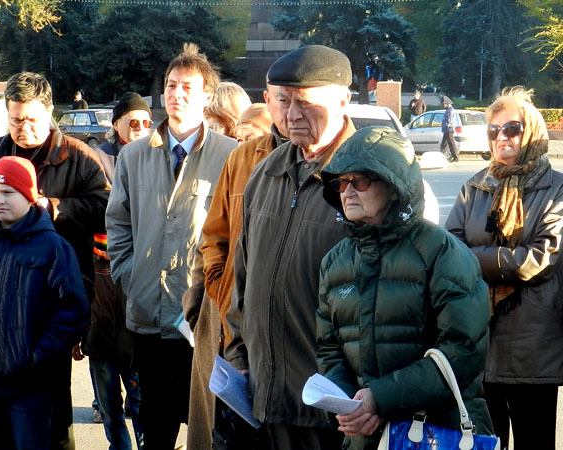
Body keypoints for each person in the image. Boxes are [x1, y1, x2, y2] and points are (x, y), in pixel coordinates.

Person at [316, 126, 494, 449]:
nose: (348, 191)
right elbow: (329, 348)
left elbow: (463, 351)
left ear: (394, 186)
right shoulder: (334, 262)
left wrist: (380, 398)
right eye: (341, 182)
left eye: (361, 181)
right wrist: (350, 406)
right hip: (365, 435)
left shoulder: (442, 253)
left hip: (438, 434)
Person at [0, 71, 110, 450]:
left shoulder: (79, 156)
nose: (22, 128)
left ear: (49, 112)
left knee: (48, 424)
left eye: (31, 119)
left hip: (49, 297)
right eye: (15, 120)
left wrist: (54, 208)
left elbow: (107, 209)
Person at [224, 44, 356, 449]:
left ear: (343, 101)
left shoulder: (366, 177)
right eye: (283, 101)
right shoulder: (267, 171)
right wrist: (238, 357)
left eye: (307, 103)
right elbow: (243, 277)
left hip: (335, 407)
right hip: (264, 396)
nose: (293, 115)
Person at [106, 43, 237, 449]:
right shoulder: (133, 156)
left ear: (207, 96)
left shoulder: (230, 156)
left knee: (207, 429)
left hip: (205, 319)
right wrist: (131, 275)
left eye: (187, 87)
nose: (176, 94)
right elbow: (117, 223)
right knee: (155, 428)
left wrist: (219, 294)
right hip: (148, 315)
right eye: (171, 85)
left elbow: (238, 234)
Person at [445, 86, 563, 450]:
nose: (502, 137)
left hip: (533, 345)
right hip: (480, 341)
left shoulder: (556, 188)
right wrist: (495, 259)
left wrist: (474, 258)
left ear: (532, 132)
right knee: (483, 443)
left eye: (512, 129)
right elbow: (448, 251)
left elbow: (539, 259)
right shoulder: (475, 186)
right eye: (494, 130)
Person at [182, 82, 287, 450]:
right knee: (216, 426)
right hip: (220, 315)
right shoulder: (238, 161)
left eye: (248, 135)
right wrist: (205, 297)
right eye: (238, 135)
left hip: (273, 326)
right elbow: (212, 238)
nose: (239, 141)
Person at [0, 156, 89, 450]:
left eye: (8, 192)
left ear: (29, 195)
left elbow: (72, 311)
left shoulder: (53, 248)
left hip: (30, 388)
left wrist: (37, 360)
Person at [77, 92, 152, 450]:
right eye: (133, 122)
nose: (140, 129)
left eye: (146, 123)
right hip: (102, 278)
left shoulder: (157, 157)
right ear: (116, 124)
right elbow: (96, 207)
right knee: (107, 395)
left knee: (141, 395)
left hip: (142, 282)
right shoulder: (98, 158)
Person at [440, 95, 458, 162]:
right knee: (443, 145)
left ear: (447, 104)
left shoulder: (450, 110)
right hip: (446, 130)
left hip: (449, 130)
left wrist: (447, 126)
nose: (443, 105)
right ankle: (441, 157)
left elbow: (450, 121)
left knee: (451, 144)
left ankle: (456, 157)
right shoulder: (448, 110)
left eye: (444, 104)